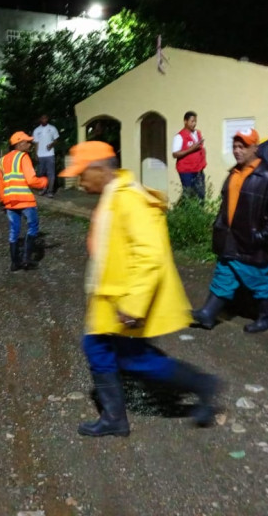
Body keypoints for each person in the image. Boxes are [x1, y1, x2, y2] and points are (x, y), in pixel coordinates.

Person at [59, 141, 221, 437]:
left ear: (98, 169)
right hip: (112, 296)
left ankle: (200, 385)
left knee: (129, 356)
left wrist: (133, 304)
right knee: (116, 352)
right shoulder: (114, 195)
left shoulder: (129, 198)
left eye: (82, 174)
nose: (79, 182)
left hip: (124, 299)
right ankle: (117, 417)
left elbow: (150, 254)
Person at [192, 129, 268, 333]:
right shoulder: (234, 173)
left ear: (255, 147)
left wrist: (262, 235)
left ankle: (266, 317)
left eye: (242, 146)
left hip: (253, 243)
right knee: (224, 273)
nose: (237, 151)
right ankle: (209, 314)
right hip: (230, 239)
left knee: (256, 278)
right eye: (235, 146)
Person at [0, 131, 47, 271]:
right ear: (19, 143)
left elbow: (1, 183)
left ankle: (14, 263)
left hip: (10, 202)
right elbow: (31, 180)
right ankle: (26, 260)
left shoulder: (1, 160)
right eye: (27, 141)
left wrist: (2, 201)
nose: (30, 144)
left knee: (14, 231)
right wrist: (43, 182)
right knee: (32, 227)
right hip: (25, 200)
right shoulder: (23, 157)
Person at [172, 111, 207, 199]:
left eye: (195, 121)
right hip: (186, 170)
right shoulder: (180, 136)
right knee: (188, 194)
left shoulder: (197, 133)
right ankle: (181, 211)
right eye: (192, 121)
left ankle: (200, 212)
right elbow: (175, 154)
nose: (194, 124)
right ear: (185, 121)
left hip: (198, 169)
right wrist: (192, 149)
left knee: (200, 194)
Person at [32, 114, 59, 197]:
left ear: (47, 119)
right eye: (42, 118)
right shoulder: (36, 130)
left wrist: (51, 145)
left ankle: (50, 191)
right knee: (41, 173)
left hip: (50, 154)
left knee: (51, 173)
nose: (44, 119)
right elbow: (36, 143)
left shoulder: (52, 128)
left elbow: (56, 140)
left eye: (45, 118)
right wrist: (36, 153)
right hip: (40, 155)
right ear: (40, 119)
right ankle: (43, 189)